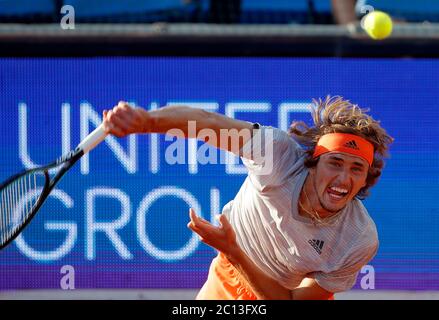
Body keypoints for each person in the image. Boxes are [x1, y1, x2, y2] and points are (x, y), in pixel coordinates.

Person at [102, 96, 393, 300]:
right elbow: (206, 122)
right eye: (335, 163)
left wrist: (234, 250)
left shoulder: (360, 239)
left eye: (357, 168)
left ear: (367, 178)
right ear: (314, 162)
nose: (344, 178)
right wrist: (147, 121)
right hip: (228, 282)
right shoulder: (277, 155)